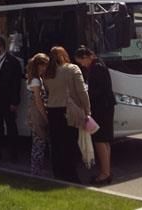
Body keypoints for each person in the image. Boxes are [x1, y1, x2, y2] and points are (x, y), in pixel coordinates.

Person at [43, 46, 90, 183]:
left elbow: (47, 91)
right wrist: (87, 109)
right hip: (68, 109)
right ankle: (71, 174)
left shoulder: (47, 73)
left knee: (57, 143)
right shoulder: (72, 69)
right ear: (65, 55)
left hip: (52, 109)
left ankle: (58, 172)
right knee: (70, 143)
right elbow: (82, 91)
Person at [75, 46, 116, 186]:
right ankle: (107, 171)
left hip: (101, 108)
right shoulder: (100, 64)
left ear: (87, 57)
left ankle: (104, 173)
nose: (82, 65)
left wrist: (86, 97)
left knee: (99, 140)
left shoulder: (96, 68)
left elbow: (97, 91)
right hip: (106, 107)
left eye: (82, 61)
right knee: (105, 140)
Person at [0, 35, 23, 161]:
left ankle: (13, 154)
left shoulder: (13, 62)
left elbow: (16, 84)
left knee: (11, 126)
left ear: (1, 47)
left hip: (7, 99)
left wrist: (14, 102)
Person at [25, 53, 50, 176]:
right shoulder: (36, 81)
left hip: (33, 112)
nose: (45, 68)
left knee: (37, 141)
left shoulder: (33, 78)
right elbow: (38, 101)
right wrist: (45, 116)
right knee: (39, 142)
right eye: (44, 65)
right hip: (37, 113)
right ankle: (36, 170)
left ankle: (36, 168)